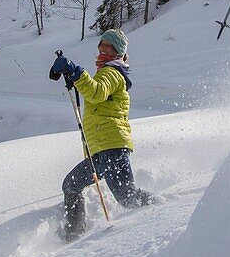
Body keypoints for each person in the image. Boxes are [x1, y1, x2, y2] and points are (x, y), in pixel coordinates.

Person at [49, 28, 157, 241]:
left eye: (108, 46)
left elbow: (97, 93)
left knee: (123, 196)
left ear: (117, 51)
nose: (102, 48)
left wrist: (76, 72)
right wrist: (76, 78)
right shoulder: (108, 72)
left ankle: (164, 209)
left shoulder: (112, 72)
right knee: (76, 186)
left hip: (111, 147)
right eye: (101, 44)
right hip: (104, 149)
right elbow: (96, 92)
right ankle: (74, 232)